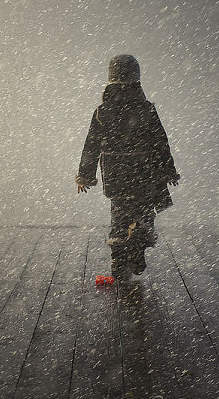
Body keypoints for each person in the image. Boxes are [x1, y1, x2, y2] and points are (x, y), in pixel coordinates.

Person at [76, 54, 180, 281]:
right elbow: (160, 142)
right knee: (142, 212)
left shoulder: (102, 112)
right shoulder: (146, 109)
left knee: (119, 215)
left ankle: (118, 258)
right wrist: (168, 170)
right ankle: (137, 244)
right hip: (144, 173)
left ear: (110, 80)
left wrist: (85, 174)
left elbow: (91, 145)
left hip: (115, 175)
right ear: (137, 79)